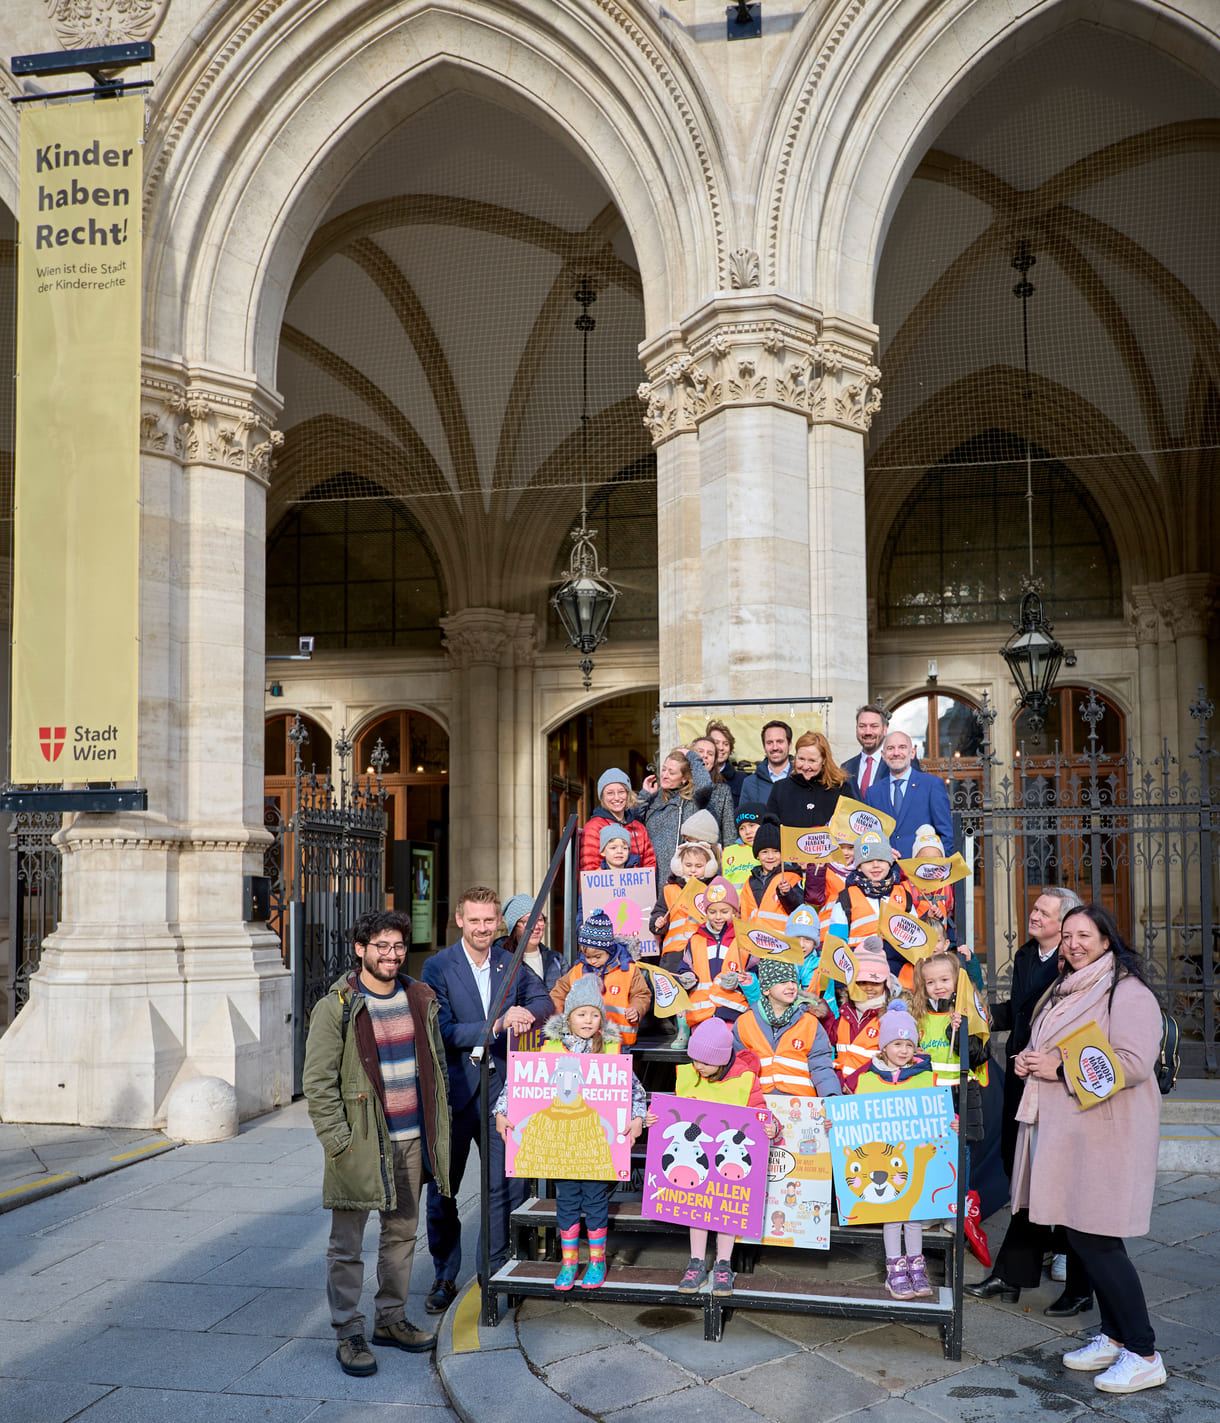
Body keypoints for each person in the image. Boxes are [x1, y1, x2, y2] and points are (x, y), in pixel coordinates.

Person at [1009, 904, 1167, 1396]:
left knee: (1098, 1240)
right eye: (1069, 934)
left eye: (1086, 935)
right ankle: (1116, 1335)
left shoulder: (1128, 990)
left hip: (1106, 1133)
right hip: (1072, 1129)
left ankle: (1143, 1352)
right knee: (1080, 1235)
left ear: (1106, 940)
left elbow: (1134, 1062)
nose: (1075, 943)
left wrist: (1055, 1066)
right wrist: (1030, 1060)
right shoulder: (1069, 984)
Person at [302, 909, 452, 1377]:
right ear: (360, 949)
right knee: (347, 1245)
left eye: (398, 946)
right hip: (361, 1144)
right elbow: (318, 1083)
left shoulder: (418, 998)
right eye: (381, 946)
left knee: (402, 1235)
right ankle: (349, 1329)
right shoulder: (338, 1006)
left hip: (410, 1140)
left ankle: (390, 1318)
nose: (391, 955)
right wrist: (339, 1142)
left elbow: (437, 1071)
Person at [421, 886, 553, 1313]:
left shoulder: (508, 961)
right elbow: (441, 1028)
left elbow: (544, 999)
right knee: (445, 1189)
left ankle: (492, 1272)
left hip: (501, 1094)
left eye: (489, 920)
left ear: (499, 922)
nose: (482, 928)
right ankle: (444, 1274)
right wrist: (495, 1024)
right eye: (474, 920)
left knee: (504, 1185)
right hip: (457, 1092)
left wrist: (526, 1014)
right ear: (460, 920)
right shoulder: (438, 966)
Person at [969, 886, 1089, 1313]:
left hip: (1054, 1085)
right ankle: (1037, 1256)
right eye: (1034, 908)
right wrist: (978, 1019)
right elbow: (1020, 1010)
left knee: (1049, 1180)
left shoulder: (1072, 964)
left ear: (1065, 923)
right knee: (1014, 1166)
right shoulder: (1025, 955)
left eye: (1043, 911)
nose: (1033, 914)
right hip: (1022, 1078)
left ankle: (1035, 1272)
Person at [495, 976, 646, 1291]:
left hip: (592, 1141)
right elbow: (519, 1084)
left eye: (594, 1014)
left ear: (601, 1018)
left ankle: (596, 1260)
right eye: (581, 1014)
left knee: (594, 1201)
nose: (588, 1020)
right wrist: (501, 1111)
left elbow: (634, 1091)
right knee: (566, 1201)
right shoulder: (550, 1048)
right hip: (560, 1143)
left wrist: (637, 1118)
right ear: (568, 1017)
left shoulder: (612, 1050)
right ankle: (567, 1262)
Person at [651, 1016, 778, 1297]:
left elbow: (761, 1115)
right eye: (694, 1060)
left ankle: (723, 1264)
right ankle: (696, 1262)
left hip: (726, 1162)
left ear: (722, 1060)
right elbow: (675, 1111)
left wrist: (772, 1128)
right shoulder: (687, 1075)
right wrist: (656, 1120)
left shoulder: (745, 1081)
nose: (698, 1067)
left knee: (726, 1214)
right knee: (697, 1211)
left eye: (705, 1063)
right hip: (694, 1162)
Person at [855, 1002, 937, 1299]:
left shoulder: (925, 1077)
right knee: (893, 1214)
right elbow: (857, 1118)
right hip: (885, 1161)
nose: (903, 1050)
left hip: (913, 1156)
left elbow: (938, 1114)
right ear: (884, 1046)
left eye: (908, 1044)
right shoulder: (868, 1080)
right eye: (896, 1043)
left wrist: (950, 1125)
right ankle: (894, 1270)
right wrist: (835, 1124)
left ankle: (916, 1268)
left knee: (913, 1214)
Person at [911, 950, 990, 1261]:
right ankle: (933, 1206)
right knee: (931, 1149)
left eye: (944, 980)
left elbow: (980, 1054)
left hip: (960, 1093)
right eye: (931, 982)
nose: (938, 986)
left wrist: (959, 1033)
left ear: (957, 981)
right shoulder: (921, 1016)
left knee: (960, 1151)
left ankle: (955, 1210)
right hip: (930, 1095)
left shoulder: (969, 1012)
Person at [826, 831, 935, 986]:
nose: (875, 865)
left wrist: (926, 918)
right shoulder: (846, 897)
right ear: (859, 866)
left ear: (890, 862)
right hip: (861, 976)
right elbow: (837, 944)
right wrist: (841, 985)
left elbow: (915, 940)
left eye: (881, 860)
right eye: (869, 861)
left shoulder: (903, 894)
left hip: (900, 977)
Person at [734, 959, 842, 1098]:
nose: (791, 987)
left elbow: (821, 1065)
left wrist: (830, 1095)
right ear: (767, 989)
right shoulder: (745, 1022)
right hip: (759, 1101)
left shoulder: (809, 1021)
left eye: (793, 981)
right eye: (783, 982)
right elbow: (739, 1066)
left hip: (801, 1103)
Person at [660, 874, 756, 1029]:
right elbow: (684, 969)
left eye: (724, 911)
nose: (718, 917)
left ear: (735, 912)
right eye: (712, 912)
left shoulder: (744, 940)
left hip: (733, 1012)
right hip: (699, 1014)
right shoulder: (695, 939)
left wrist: (744, 979)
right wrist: (687, 978)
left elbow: (755, 973)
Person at [550, 909, 652, 1047]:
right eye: (587, 957)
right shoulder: (578, 970)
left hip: (620, 1041)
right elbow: (559, 992)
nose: (592, 961)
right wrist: (558, 1017)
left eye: (597, 956)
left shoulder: (628, 969)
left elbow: (642, 994)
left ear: (609, 951)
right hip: (582, 1041)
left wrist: (636, 1008)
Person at [832, 936, 906, 1092]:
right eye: (862, 982)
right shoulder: (846, 1012)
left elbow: (890, 1059)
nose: (869, 988)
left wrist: (854, 1082)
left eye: (875, 982)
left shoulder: (893, 1016)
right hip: (841, 1092)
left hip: (873, 1092)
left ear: (886, 984)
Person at [864, 730, 952, 860]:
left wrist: (938, 871)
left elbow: (946, 835)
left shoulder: (931, 785)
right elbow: (868, 837)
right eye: (890, 748)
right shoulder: (873, 792)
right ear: (883, 755)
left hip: (922, 872)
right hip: (886, 874)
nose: (896, 753)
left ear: (913, 753)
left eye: (902, 747)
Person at [637, 747, 713, 879]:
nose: (664, 775)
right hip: (651, 873)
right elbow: (635, 821)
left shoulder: (692, 801)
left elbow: (705, 785)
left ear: (684, 779)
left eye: (671, 772)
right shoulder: (654, 799)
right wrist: (645, 795)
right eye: (664, 769)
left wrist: (691, 755)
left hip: (679, 877)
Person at [765, 730, 854, 827]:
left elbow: (849, 827)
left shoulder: (841, 789)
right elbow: (769, 825)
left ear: (824, 760)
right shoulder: (780, 788)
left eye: (812, 761)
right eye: (801, 759)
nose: (805, 767)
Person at [579, 769, 657, 876]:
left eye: (621, 792)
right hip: (605, 891)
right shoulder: (594, 827)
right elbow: (590, 869)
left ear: (628, 794)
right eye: (610, 793)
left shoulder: (638, 827)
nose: (617, 798)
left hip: (637, 891)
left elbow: (649, 864)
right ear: (602, 797)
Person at [737, 814, 805, 932]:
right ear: (757, 855)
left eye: (775, 851)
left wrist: (788, 894)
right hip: (755, 943)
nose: (770, 857)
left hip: (782, 942)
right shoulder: (750, 882)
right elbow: (745, 915)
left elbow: (799, 908)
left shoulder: (792, 877)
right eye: (764, 852)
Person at [497, 894, 563, 994]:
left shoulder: (557, 960)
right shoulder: (502, 962)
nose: (535, 926)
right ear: (514, 927)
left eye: (539, 919)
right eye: (527, 921)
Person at [691, 735, 744, 849]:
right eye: (700, 751)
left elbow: (729, 834)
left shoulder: (722, 791)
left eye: (710, 754)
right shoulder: (677, 786)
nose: (705, 756)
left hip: (712, 857)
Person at [738, 720, 794, 806]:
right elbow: (744, 818)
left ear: (789, 745)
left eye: (780, 742)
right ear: (764, 747)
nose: (775, 747)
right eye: (769, 743)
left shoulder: (801, 778)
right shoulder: (750, 783)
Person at [842, 703, 890, 798]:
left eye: (874, 726)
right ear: (856, 729)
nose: (868, 732)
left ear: (884, 730)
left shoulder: (894, 766)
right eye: (862, 726)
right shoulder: (846, 768)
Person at [722, 801, 766, 888]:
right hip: (734, 901)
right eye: (742, 828)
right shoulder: (728, 852)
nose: (747, 832)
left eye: (752, 825)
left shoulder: (773, 849)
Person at [705, 718, 748, 806]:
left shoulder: (742, 779)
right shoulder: (695, 777)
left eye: (726, 744)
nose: (721, 748)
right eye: (716, 743)